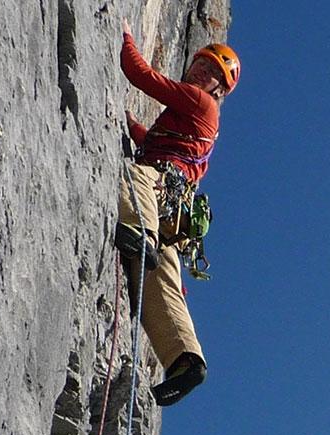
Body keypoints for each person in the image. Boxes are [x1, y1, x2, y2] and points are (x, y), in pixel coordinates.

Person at [115, 24, 240, 406]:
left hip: (158, 191)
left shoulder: (202, 104)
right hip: (174, 209)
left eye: (210, 74)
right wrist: (133, 126)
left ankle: (140, 233)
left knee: (135, 177)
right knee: (161, 276)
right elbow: (157, 143)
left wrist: (125, 39)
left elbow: (141, 75)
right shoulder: (196, 117)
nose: (199, 74)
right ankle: (185, 358)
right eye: (199, 66)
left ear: (218, 90)